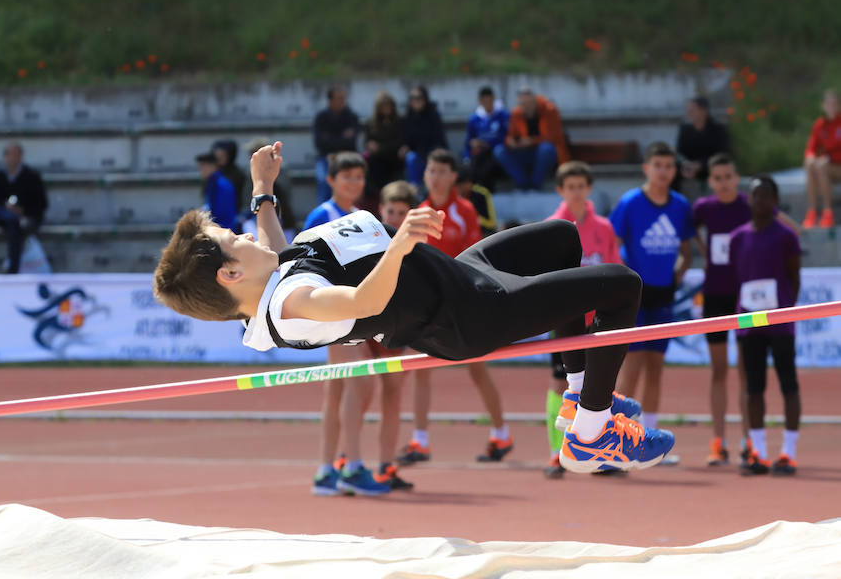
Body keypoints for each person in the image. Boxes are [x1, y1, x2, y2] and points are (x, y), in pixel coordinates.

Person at [153, 141, 674, 474]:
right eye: (232, 237)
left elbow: (273, 243)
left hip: (459, 278)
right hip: (467, 314)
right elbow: (361, 300)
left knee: (562, 239)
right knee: (621, 285)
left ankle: (580, 397)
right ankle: (591, 434)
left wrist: (262, 189)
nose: (245, 234)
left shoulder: (270, 278)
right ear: (230, 274)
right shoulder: (291, 303)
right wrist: (399, 243)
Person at [394, 150, 512, 465]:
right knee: (420, 371)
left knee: (477, 369)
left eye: (442, 171)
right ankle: (420, 441)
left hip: (461, 301)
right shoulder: (417, 212)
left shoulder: (465, 211)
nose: (435, 176)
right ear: (425, 175)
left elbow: (474, 256)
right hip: (427, 306)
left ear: (452, 177)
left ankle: (501, 433)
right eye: (431, 170)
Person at [299, 151, 391, 496]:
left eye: (359, 177)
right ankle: (351, 465)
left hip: (354, 315)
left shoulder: (362, 217)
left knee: (337, 387)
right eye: (346, 176)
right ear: (331, 180)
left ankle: (326, 469)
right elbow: (303, 264)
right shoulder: (322, 215)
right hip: (330, 314)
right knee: (360, 379)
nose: (353, 183)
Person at [544, 161, 629, 478]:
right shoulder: (552, 227)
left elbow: (614, 269)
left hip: (598, 321)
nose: (577, 192)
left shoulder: (604, 228)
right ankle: (557, 452)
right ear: (561, 190)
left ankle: (599, 451)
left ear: (589, 189)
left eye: (582, 186)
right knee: (560, 385)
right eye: (571, 187)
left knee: (602, 383)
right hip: (565, 319)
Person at [610, 142, 694, 454]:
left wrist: (679, 273)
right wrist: (625, 280)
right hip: (636, 295)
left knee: (656, 366)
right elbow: (613, 244)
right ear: (646, 168)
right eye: (657, 165)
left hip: (664, 294)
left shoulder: (681, 205)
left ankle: (648, 439)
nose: (664, 171)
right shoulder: (631, 202)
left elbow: (686, 250)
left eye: (669, 166)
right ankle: (618, 438)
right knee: (632, 367)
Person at [730, 176, 801, 476]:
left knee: (788, 385)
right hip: (749, 324)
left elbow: (794, 277)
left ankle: (789, 453)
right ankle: (757, 451)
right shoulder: (738, 238)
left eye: (766, 196)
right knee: (754, 387)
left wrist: (783, 309)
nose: (760, 201)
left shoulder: (786, 236)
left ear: (775, 201)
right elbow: (738, 276)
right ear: (749, 199)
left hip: (780, 324)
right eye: (755, 195)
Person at [692, 153, 752, 466]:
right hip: (715, 296)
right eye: (717, 178)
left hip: (744, 297)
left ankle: (748, 441)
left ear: (737, 177)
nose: (724, 183)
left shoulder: (749, 205)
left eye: (728, 176)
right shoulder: (704, 208)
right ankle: (718, 442)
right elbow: (689, 232)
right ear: (711, 181)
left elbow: (786, 226)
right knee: (718, 371)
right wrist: (704, 254)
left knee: (745, 372)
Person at [361, 180, 421, 490]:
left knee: (393, 394)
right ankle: (348, 461)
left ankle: (385, 466)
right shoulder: (366, 239)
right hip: (361, 326)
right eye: (390, 211)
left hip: (395, 327)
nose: (394, 218)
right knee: (357, 391)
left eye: (401, 212)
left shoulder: (417, 247)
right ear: (379, 210)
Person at [0, 143, 48, 274]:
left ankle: (13, 269)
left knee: (15, 227)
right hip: (3, 215)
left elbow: (42, 203)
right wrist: (6, 206)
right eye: (9, 154)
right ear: (5, 157)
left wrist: (22, 210)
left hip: (25, 217)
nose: (12, 158)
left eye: (15, 155)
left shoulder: (32, 176)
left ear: (21, 157)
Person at [493, 87, 569, 190]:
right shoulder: (517, 113)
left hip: (546, 155)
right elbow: (511, 135)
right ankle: (522, 183)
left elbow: (555, 137)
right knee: (499, 151)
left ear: (535, 100)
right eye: (523, 104)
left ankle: (535, 185)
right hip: (524, 152)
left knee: (546, 148)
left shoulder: (550, 110)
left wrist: (532, 141)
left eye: (529, 103)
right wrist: (511, 142)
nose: (526, 107)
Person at [802, 89, 841, 229]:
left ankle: (828, 211)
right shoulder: (819, 125)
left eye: (835, 104)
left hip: (837, 165)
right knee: (810, 165)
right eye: (829, 104)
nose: (832, 107)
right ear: (824, 106)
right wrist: (810, 157)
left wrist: (829, 157)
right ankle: (812, 211)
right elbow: (811, 147)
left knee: (821, 165)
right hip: (826, 167)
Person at [313, 86, 359, 204]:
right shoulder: (321, 117)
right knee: (324, 180)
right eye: (339, 98)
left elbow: (351, 142)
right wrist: (342, 138)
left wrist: (330, 139)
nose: (342, 101)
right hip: (326, 157)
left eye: (343, 98)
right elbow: (319, 143)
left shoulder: (351, 116)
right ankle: (324, 212)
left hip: (348, 157)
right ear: (330, 100)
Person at [676, 97, 730, 194]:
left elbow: (723, 153)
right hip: (688, 168)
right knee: (672, 169)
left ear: (704, 111)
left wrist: (700, 165)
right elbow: (679, 153)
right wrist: (686, 163)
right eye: (688, 110)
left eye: (692, 110)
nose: (689, 113)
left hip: (709, 167)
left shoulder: (718, 129)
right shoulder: (685, 129)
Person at [463, 86, 509, 191]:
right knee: (473, 165)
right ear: (480, 102)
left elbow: (506, 138)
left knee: (488, 165)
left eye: (490, 100)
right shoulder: (474, 119)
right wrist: (466, 157)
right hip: (479, 156)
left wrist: (487, 144)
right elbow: (468, 142)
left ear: (493, 99)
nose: (488, 104)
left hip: (496, 156)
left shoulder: (503, 116)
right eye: (484, 101)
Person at [364, 91, 405, 205]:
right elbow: (368, 142)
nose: (386, 109)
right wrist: (372, 146)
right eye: (383, 107)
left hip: (394, 158)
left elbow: (399, 142)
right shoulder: (371, 123)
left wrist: (381, 147)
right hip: (377, 160)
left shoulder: (399, 121)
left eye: (388, 106)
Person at [401, 85, 448, 187]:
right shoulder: (408, 116)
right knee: (411, 158)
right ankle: (414, 191)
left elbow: (438, 138)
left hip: (432, 151)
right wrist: (405, 146)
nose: (416, 101)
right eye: (413, 98)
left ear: (425, 99)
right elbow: (406, 139)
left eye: (419, 98)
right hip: (416, 154)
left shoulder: (433, 115)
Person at [212, 139, 252, 223]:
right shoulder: (213, 174)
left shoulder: (239, 175)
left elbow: (244, 199)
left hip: (234, 217)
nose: (219, 158)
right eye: (217, 156)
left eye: (222, 155)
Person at [196, 152, 237, 231]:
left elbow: (219, 213)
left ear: (213, 166)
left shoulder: (220, 184)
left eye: (203, 166)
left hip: (222, 230)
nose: (201, 170)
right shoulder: (214, 182)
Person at [455, 168, 497, 236]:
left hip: (484, 233)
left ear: (468, 183)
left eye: (460, 185)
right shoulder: (453, 196)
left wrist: (472, 217)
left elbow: (491, 223)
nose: (457, 188)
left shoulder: (482, 194)